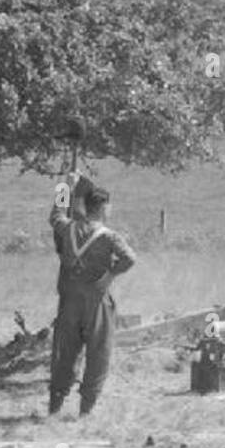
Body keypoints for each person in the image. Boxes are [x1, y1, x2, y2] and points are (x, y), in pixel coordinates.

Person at [48, 170, 136, 417]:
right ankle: (85, 410)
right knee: (98, 354)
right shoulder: (109, 237)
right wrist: (110, 275)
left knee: (64, 354)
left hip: (69, 301)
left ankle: (55, 405)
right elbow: (130, 258)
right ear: (104, 208)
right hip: (97, 301)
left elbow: (55, 214)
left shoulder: (68, 229)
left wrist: (65, 186)